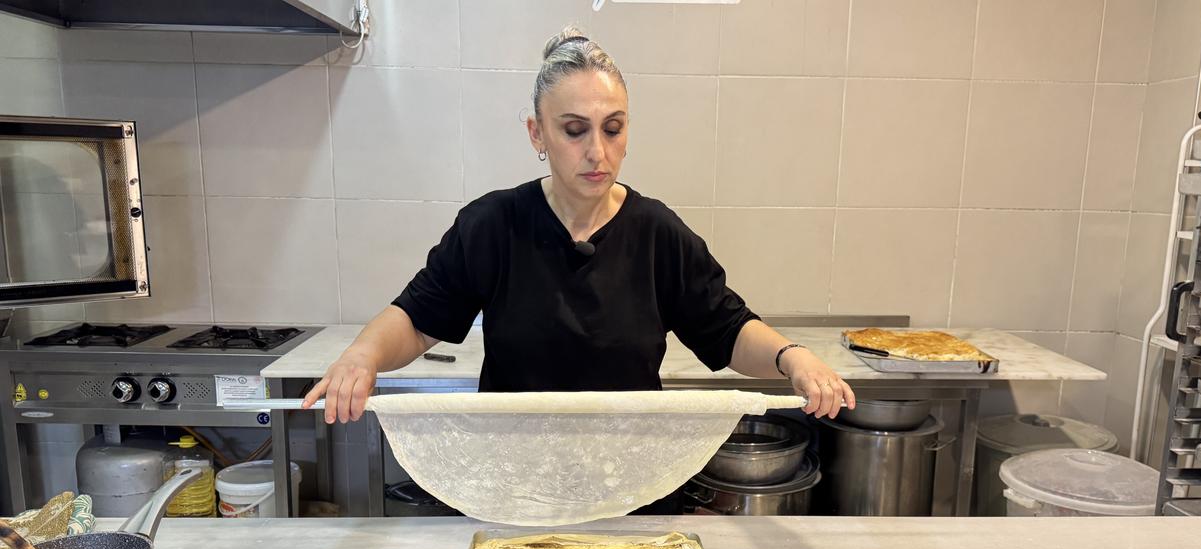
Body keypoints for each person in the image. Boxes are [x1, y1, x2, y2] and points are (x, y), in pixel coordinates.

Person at [304, 27, 855, 427]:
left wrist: (792, 358)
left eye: (612, 129)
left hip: (629, 481)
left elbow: (726, 328)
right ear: (536, 134)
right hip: (514, 480)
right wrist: (363, 356)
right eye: (574, 130)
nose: (598, 151)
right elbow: (419, 319)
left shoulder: (657, 233)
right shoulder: (493, 226)